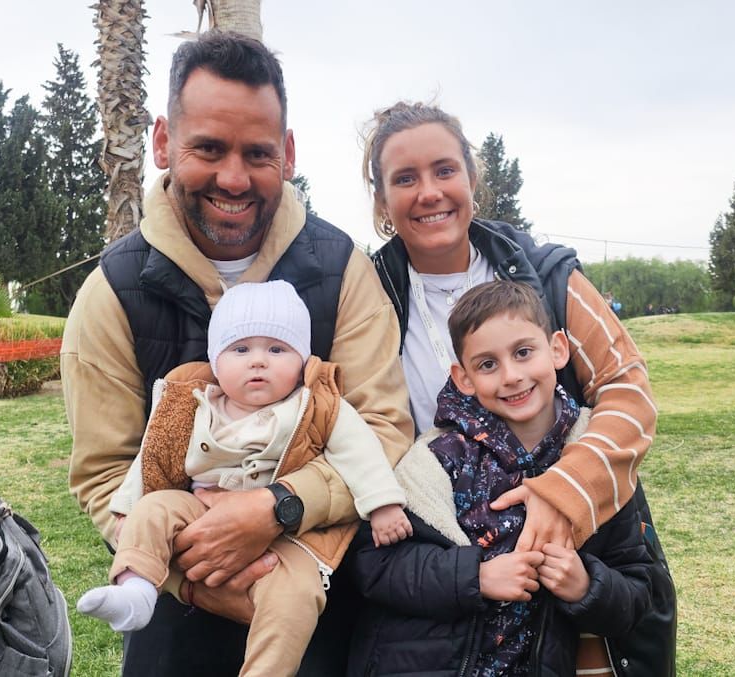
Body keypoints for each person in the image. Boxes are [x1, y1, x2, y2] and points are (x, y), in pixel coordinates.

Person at [61, 33, 413, 675]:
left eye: (257, 154)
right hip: (176, 619)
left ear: (288, 153)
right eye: (209, 148)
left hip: (321, 606)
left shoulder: (342, 270)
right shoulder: (111, 293)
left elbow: (384, 428)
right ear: (164, 142)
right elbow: (105, 473)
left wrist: (280, 506)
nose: (233, 177)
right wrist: (195, 577)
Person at [363, 101, 676, 673]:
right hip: (433, 602)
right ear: (382, 201)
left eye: (444, 170)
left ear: (472, 179)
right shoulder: (364, 293)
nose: (429, 191)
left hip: (566, 588)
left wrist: (565, 492)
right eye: (404, 179)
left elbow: (629, 393)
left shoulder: (547, 273)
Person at [77, 281, 410, 676]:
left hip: (287, 537)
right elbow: (151, 456)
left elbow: (361, 452)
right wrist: (126, 510)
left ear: (303, 360)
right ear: (216, 361)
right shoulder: (193, 400)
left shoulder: (315, 405)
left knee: (298, 595)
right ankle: (135, 591)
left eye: (276, 349)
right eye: (240, 349)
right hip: (198, 508)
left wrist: (384, 504)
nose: (258, 361)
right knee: (152, 509)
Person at [349, 281, 661, 674]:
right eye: (487, 364)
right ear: (463, 378)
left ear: (558, 349)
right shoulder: (437, 460)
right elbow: (376, 565)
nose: (511, 376)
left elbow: (637, 590)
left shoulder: (595, 460)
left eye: (524, 352)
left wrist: (585, 585)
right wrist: (474, 578)